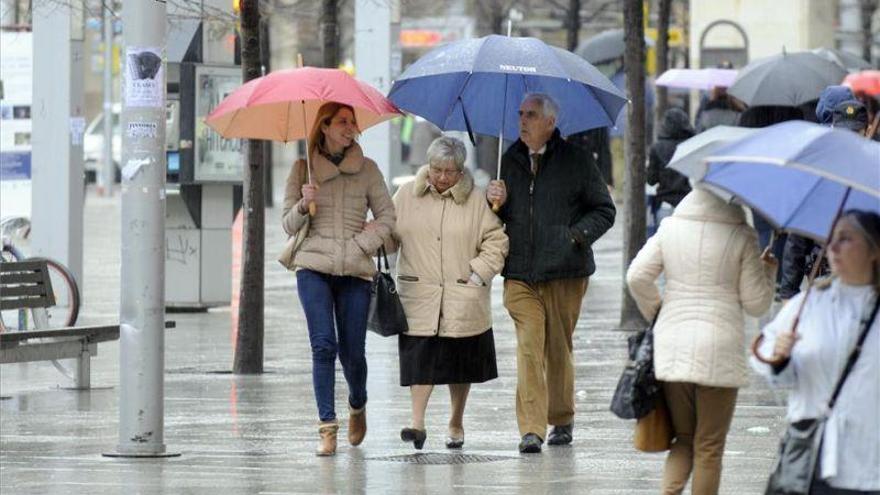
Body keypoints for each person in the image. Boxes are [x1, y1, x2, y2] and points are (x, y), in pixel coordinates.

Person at [486, 93, 616, 454]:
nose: (522, 121)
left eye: (531, 115)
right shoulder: (507, 160)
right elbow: (499, 216)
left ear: (550, 122)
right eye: (520, 113)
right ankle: (531, 429)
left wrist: (574, 237)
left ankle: (561, 417)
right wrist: (492, 200)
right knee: (529, 347)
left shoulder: (577, 161)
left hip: (565, 270)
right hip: (521, 272)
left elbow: (605, 211)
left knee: (558, 348)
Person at [626, 186, 777, 494]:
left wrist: (660, 311)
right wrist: (768, 270)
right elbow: (756, 304)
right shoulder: (741, 233)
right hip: (719, 350)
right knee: (708, 447)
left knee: (683, 440)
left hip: (673, 341)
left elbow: (636, 276)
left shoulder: (671, 227)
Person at [281, 102, 395, 456]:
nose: (350, 127)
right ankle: (327, 427)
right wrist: (303, 205)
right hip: (313, 267)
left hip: (355, 271)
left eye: (352, 122)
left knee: (352, 353)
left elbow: (388, 218)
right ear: (325, 126)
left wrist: (361, 244)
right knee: (323, 345)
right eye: (342, 122)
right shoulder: (302, 169)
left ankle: (357, 403)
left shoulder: (368, 170)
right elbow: (287, 224)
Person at [388, 136, 508, 450]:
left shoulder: (478, 200)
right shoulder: (405, 196)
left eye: (449, 171)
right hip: (420, 293)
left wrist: (478, 275)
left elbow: (497, 243)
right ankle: (417, 423)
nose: (441, 176)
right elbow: (390, 235)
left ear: (461, 171)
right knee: (420, 359)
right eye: (436, 169)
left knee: (460, 362)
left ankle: (455, 421)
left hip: (462, 293)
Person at [752, 210, 880, 495]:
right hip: (814, 461)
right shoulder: (808, 305)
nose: (832, 247)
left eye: (846, 239)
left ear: (874, 250)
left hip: (870, 462)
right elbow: (771, 365)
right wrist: (780, 356)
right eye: (831, 238)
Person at [778, 98, 868, 301]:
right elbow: (798, 237)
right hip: (824, 274)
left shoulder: (874, 169)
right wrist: (788, 291)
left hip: (867, 278)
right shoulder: (819, 171)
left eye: (855, 132)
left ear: (866, 131)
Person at [647, 107, 695, 235]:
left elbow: (651, 180)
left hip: (665, 204)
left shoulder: (657, 148)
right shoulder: (692, 146)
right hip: (689, 204)